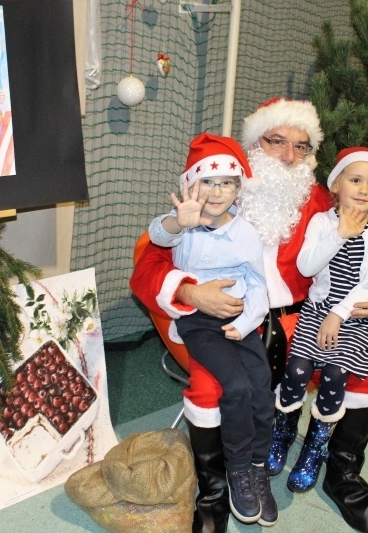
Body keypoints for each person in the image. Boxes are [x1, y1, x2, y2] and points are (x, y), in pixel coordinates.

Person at [130, 98, 368, 533]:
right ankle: (215, 493)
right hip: (227, 319)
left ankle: (344, 478)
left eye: (301, 147)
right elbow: (148, 262)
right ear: (252, 145)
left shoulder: (325, 199)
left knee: (365, 379)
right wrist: (189, 290)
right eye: (276, 141)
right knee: (211, 388)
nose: (288, 156)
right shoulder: (212, 191)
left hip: (308, 319)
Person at [148, 132, 276, 526]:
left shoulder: (246, 232)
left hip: (240, 319)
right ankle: (237, 469)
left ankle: (257, 466)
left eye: (226, 183)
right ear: (190, 184)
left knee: (260, 383)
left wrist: (243, 322)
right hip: (198, 322)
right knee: (235, 387)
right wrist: (177, 221)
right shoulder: (184, 225)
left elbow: (258, 285)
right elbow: (157, 235)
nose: (217, 191)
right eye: (207, 181)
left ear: (238, 189)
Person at [277, 147, 368, 496]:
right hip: (317, 311)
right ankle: (283, 434)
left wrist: (338, 314)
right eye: (355, 179)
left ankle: (314, 448)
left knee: (334, 374)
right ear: (336, 184)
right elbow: (307, 267)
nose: (363, 189)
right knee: (297, 368)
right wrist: (340, 233)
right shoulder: (322, 222)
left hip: (357, 318)